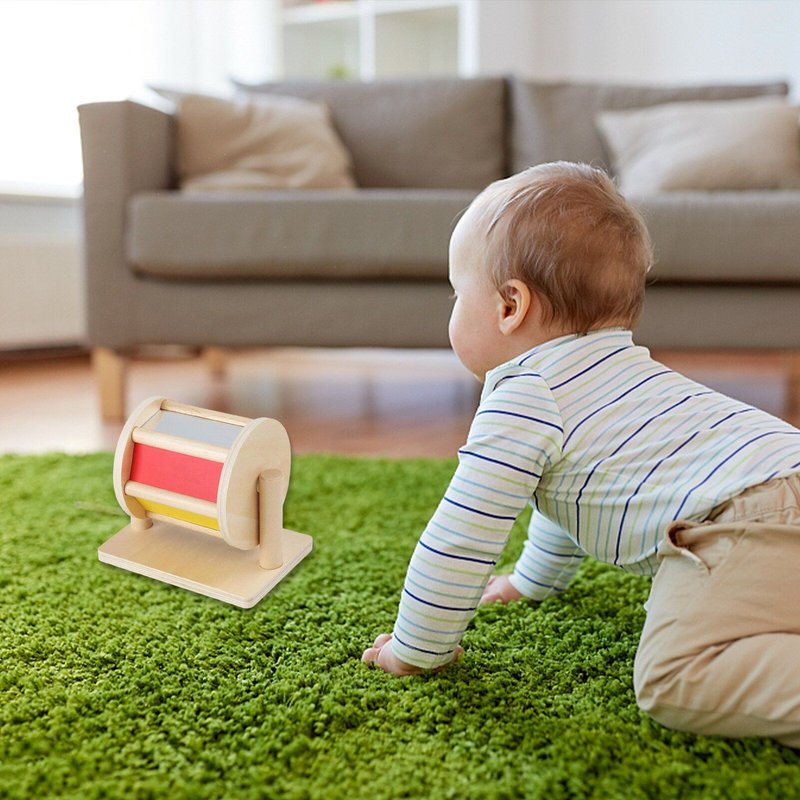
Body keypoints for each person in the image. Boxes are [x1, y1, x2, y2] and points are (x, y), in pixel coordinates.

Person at [361, 161, 800, 747]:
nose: (451, 308)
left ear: (509, 306)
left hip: (744, 518)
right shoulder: (613, 376)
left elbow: (462, 536)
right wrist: (533, 582)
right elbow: (569, 490)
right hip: (779, 475)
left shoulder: (526, 394)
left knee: (676, 677)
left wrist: (417, 649)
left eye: (456, 293)